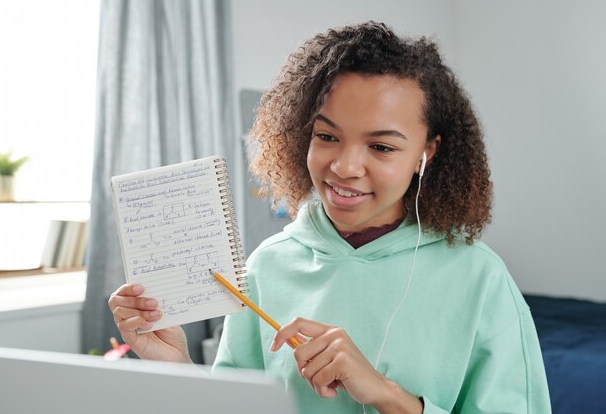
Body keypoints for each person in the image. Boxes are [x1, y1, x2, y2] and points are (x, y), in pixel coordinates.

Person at [108, 21, 552, 414]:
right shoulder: (267, 266)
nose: (344, 167)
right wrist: (178, 368)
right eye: (326, 136)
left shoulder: (480, 278)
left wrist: (386, 395)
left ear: (426, 151)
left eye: (381, 146)